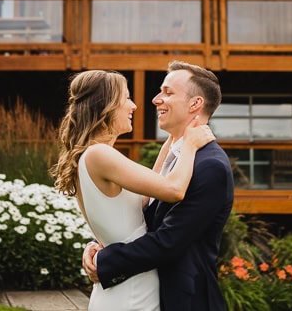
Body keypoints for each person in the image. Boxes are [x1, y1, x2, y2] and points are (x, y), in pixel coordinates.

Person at [51, 69, 216, 311]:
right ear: (107, 105)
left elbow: (144, 198)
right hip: (132, 289)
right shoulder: (100, 155)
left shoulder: (93, 155)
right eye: (126, 98)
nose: (134, 106)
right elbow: (173, 189)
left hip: (124, 282)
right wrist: (190, 145)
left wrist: (173, 138)